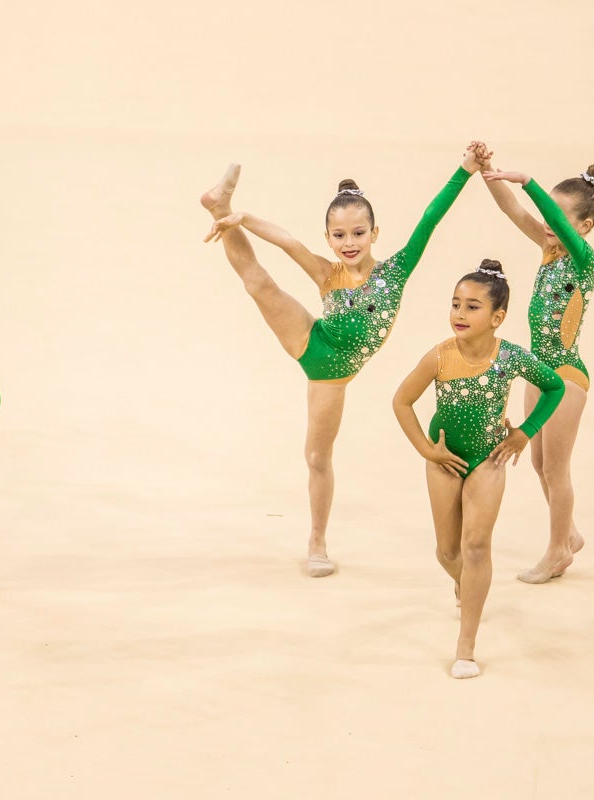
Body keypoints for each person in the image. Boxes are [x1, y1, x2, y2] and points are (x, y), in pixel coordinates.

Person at [201, 145, 485, 577]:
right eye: (338, 236)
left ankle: (318, 538)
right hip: (312, 343)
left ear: (374, 232)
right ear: (328, 237)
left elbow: (431, 217)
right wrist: (245, 219)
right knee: (257, 282)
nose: (348, 243)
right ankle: (219, 207)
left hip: (332, 375)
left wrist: (465, 170)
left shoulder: (396, 271)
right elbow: (289, 242)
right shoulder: (326, 273)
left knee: (317, 456)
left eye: (357, 233)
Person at [392, 260, 565, 678]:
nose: (459, 314)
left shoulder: (509, 357)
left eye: (472, 307)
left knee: (475, 547)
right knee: (448, 552)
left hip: (489, 460)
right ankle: (466, 586)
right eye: (455, 305)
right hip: (444, 460)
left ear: (497, 317)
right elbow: (401, 401)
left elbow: (554, 386)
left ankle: (466, 644)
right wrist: (426, 451)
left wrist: (525, 432)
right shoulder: (439, 356)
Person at [480, 159, 594, 583]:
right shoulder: (549, 250)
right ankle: (567, 531)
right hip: (540, 370)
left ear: (584, 226)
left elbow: (542, 213)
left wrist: (530, 182)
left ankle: (557, 552)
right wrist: (487, 172)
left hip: (567, 373)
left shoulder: (583, 260)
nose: (548, 223)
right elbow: (513, 210)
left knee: (557, 467)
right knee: (536, 460)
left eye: (559, 217)